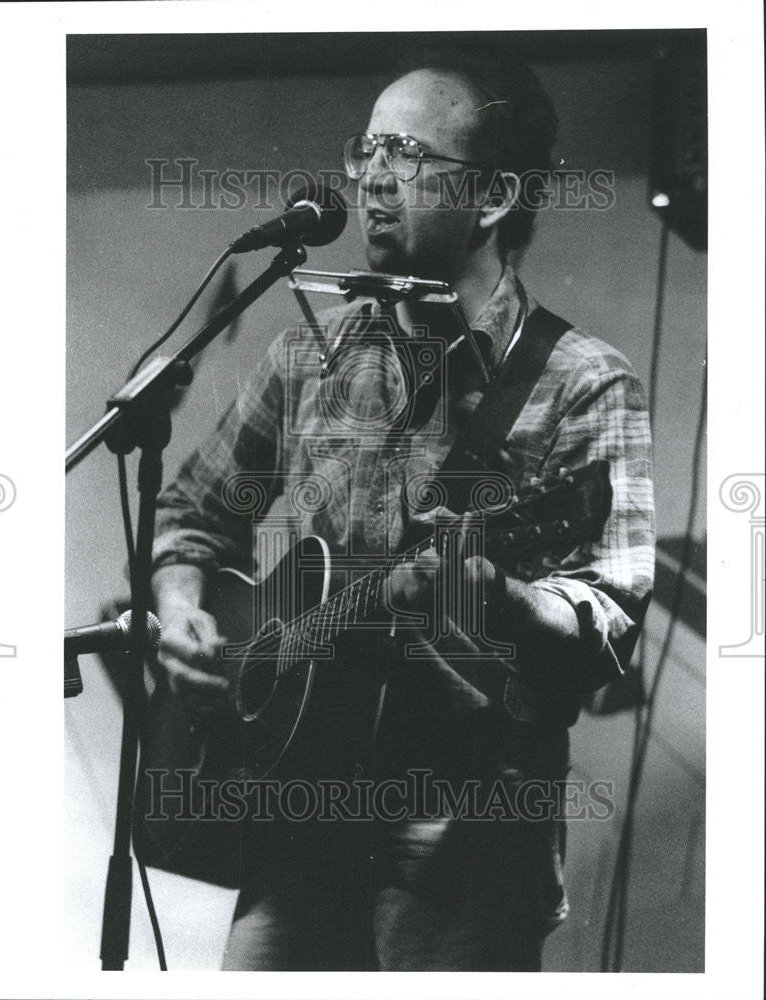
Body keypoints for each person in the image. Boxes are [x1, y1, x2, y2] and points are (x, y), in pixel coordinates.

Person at [150, 47, 655, 971]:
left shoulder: (582, 380)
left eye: (409, 155)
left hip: (457, 829)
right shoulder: (315, 350)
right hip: (292, 805)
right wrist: (184, 602)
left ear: (495, 197)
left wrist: (500, 597)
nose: (373, 178)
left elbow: (609, 615)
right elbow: (193, 510)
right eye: (367, 148)